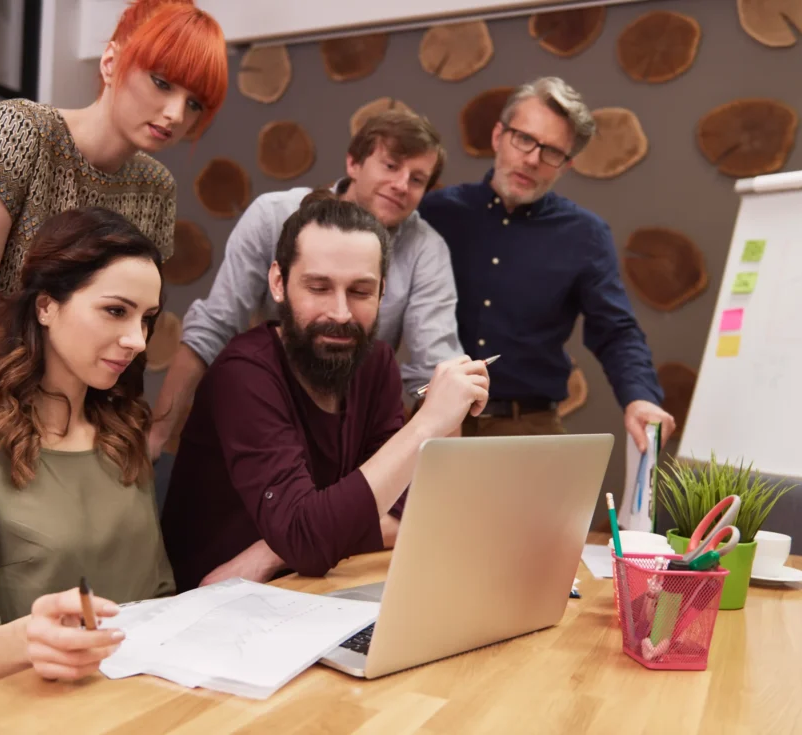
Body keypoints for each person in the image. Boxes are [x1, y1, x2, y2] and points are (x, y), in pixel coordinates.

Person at [0, 0, 229, 482]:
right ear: (110, 62)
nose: (174, 113)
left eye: (194, 103)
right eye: (162, 82)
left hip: (43, 422)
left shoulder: (156, 188)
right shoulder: (22, 131)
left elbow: (129, 323)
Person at [159, 191, 490, 591]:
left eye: (360, 291)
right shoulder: (244, 374)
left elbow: (404, 508)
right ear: (279, 283)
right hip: (215, 608)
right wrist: (427, 426)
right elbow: (314, 533)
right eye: (318, 287)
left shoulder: (376, 363)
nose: (340, 313)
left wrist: (272, 550)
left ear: (383, 291)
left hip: (316, 586)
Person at [0, 207, 176, 700]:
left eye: (147, 320)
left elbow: (157, 595)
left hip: (125, 703)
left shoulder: (124, 434)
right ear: (46, 307)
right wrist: (30, 639)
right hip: (11, 710)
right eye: (116, 311)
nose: (137, 341)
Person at [147, 110, 463, 459]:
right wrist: (157, 438)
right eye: (391, 166)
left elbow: (437, 374)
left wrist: (448, 490)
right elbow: (213, 327)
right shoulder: (273, 215)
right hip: (262, 409)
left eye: (417, 179)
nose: (402, 184)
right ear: (354, 163)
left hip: (350, 428)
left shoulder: (426, 250)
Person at [418, 76, 675, 452]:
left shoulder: (585, 235)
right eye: (524, 139)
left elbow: (616, 330)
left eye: (552, 152)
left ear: (566, 166)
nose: (533, 159)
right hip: (433, 422)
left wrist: (640, 396)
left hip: (528, 430)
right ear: (498, 136)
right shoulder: (436, 214)